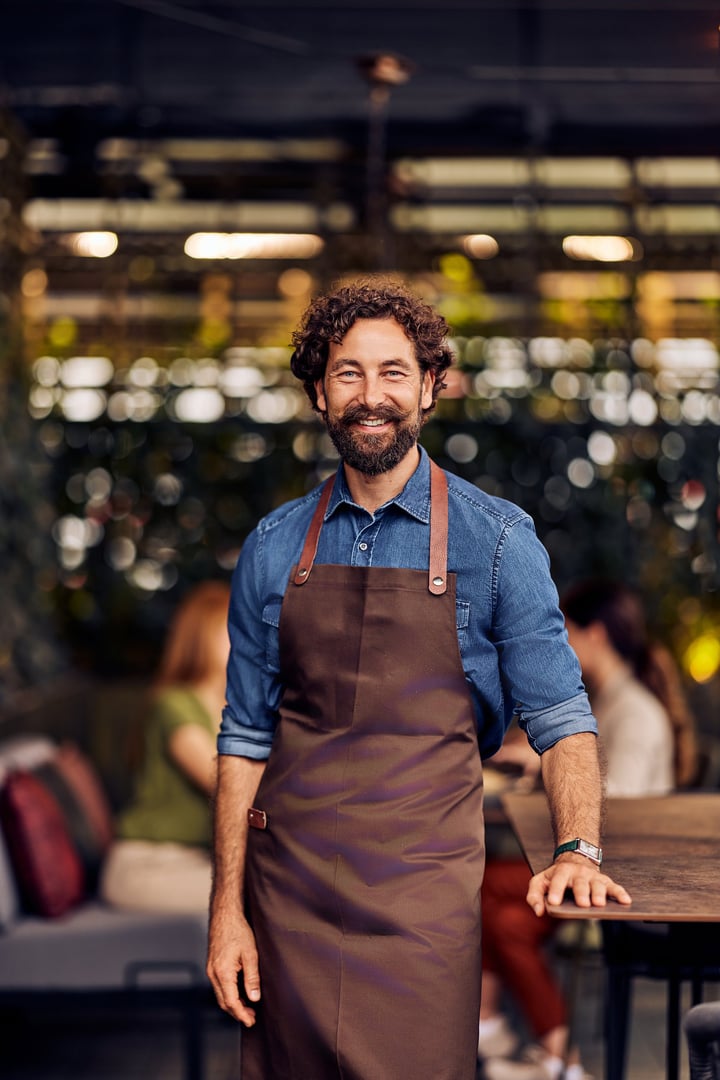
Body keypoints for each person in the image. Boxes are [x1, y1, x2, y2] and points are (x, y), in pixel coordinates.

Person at [206, 279, 631, 1080]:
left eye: (394, 373)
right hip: (288, 897)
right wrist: (227, 911)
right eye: (348, 374)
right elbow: (244, 737)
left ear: (431, 387)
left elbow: (561, 714)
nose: (373, 397)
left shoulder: (499, 542)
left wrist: (578, 845)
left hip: (422, 899)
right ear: (318, 393)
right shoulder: (272, 547)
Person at [478, 578, 697, 1080]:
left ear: (595, 634)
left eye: (567, 632)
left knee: (492, 889)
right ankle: (544, 1052)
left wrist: (542, 769)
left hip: (623, 875)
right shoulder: (610, 701)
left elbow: (618, 802)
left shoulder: (636, 712)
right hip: (604, 865)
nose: (563, 644)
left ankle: (516, 1039)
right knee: (502, 912)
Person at [100, 581, 230, 914]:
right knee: (267, 897)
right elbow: (224, 780)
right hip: (146, 868)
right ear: (202, 638)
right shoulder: (174, 704)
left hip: (191, 862)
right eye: (233, 628)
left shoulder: (230, 707)